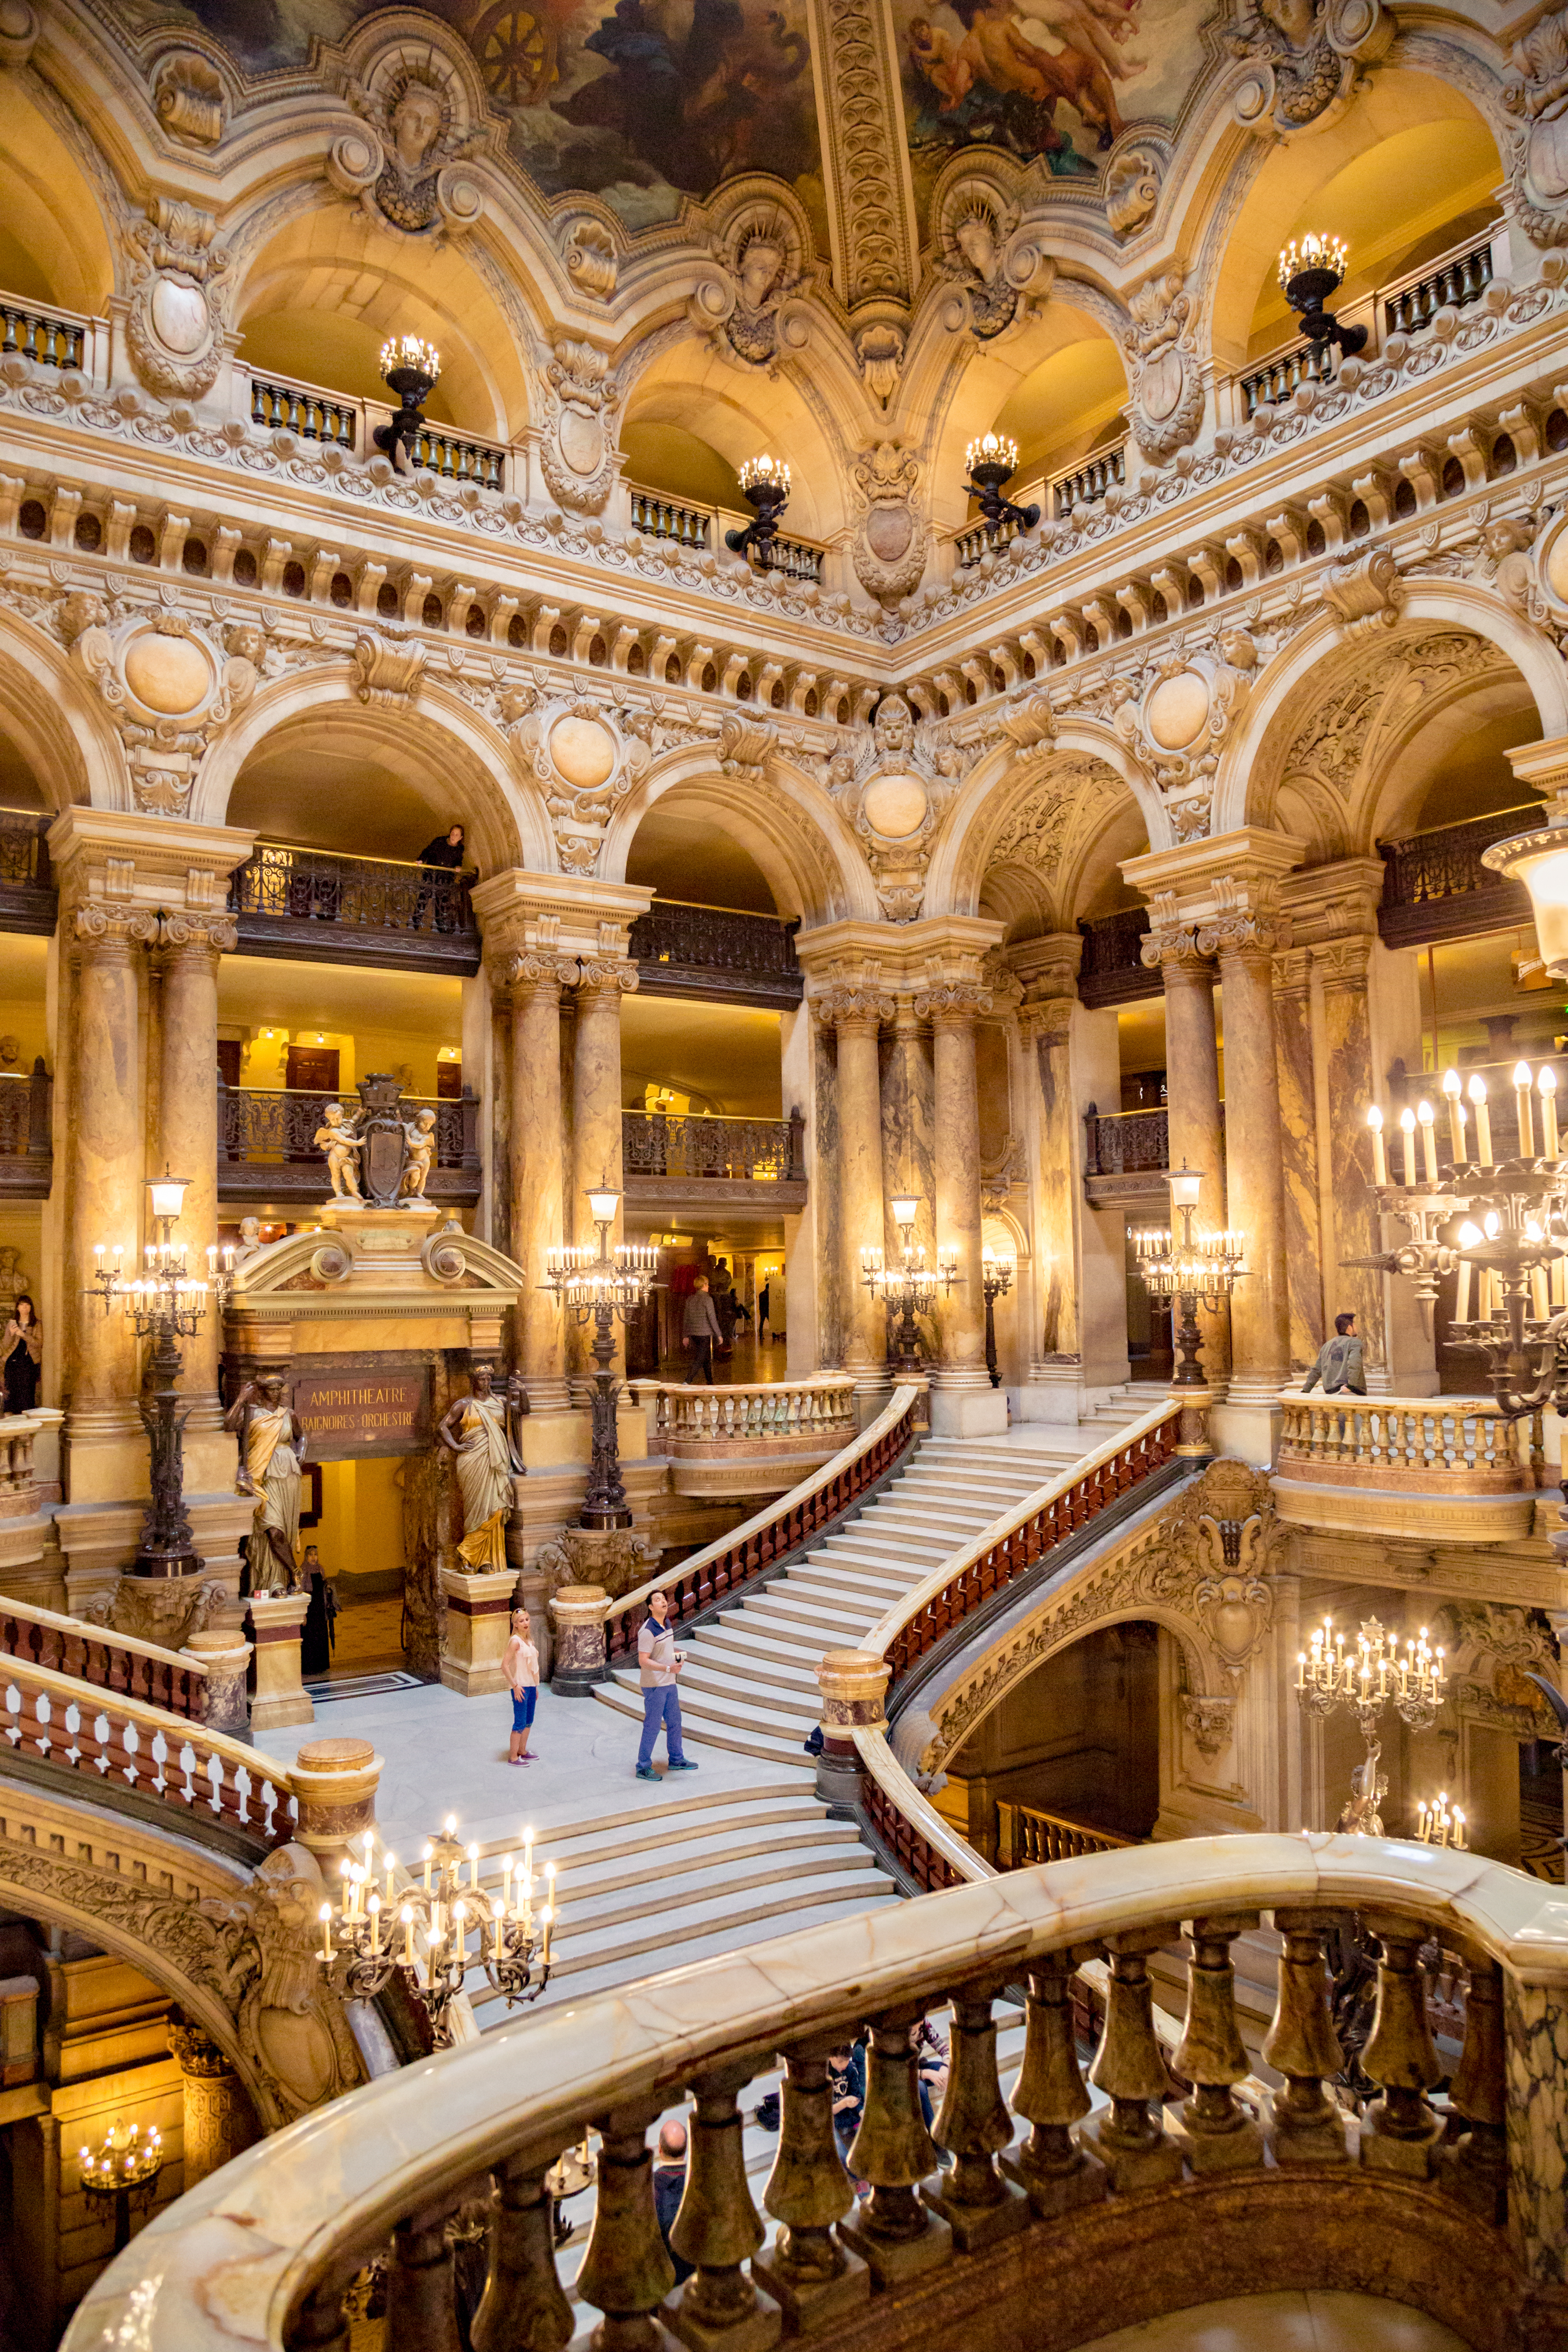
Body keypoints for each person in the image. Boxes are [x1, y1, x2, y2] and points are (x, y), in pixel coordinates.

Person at [436, 1364, 524, 1570]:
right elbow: (443, 1426)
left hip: (496, 1461)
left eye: (488, 1379)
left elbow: (522, 1411)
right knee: (476, 1509)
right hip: (472, 1461)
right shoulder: (464, 1404)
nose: (485, 1383)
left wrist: (523, 1392)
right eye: (481, 1379)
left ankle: (486, 1559)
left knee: (497, 1509)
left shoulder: (501, 1401)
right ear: (474, 1381)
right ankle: (468, 1555)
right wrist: (456, 1446)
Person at [225, 1373, 307, 1592]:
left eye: (279, 1389)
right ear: (262, 1391)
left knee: (286, 1529)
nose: (276, 1393)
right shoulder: (252, 1413)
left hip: (288, 1474)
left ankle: (279, 1583)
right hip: (262, 1474)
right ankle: (292, 1573)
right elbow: (229, 1425)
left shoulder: (288, 1414)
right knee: (272, 1530)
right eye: (272, 1389)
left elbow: (301, 1436)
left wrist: (301, 1450)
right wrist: (241, 1399)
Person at [636, 1587, 698, 1779]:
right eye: (657, 1599)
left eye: (664, 1598)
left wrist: (677, 1658)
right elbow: (643, 1661)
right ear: (650, 1607)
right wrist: (668, 1669)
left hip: (669, 1683)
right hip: (655, 1685)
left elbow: (665, 1651)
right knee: (652, 1726)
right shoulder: (647, 1631)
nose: (663, 1601)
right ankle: (643, 1766)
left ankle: (677, 1759)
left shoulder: (667, 1623)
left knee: (674, 1722)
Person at [651, 2119, 693, 2284]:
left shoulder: (647, 2188)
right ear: (686, 2149)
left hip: (662, 2276)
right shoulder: (701, 2181)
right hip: (696, 2273)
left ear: (660, 2149)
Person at [503, 1607, 540, 1765]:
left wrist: (536, 1687)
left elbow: (532, 1668)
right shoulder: (515, 1642)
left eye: (527, 1619)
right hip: (521, 1686)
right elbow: (504, 1665)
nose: (525, 1623)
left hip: (531, 1686)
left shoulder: (529, 1641)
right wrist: (515, 1685)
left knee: (528, 1721)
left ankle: (522, 1750)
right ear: (515, 1625)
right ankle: (513, 1757)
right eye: (521, 1621)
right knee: (519, 1722)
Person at [413, 823, 466, 933]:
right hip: (431, 875)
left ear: (461, 838)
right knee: (423, 898)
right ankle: (415, 923)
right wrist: (421, 860)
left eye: (457, 835)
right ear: (450, 833)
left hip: (445, 879)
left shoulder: (460, 849)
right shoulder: (439, 841)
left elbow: (458, 862)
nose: (454, 836)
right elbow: (427, 851)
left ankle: (441, 926)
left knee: (441, 903)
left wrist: (458, 867)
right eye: (453, 833)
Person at [1301, 1311, 1366, 1395]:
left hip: (1330, 1392)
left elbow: (1316, 1371)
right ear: (1350, 1328)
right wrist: (1351, 1386)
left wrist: (1305, 1390)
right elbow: (1354, 1364)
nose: (1357, 1328)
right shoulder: (1354, 1343)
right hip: (1350, 1391)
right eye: (1355, 1325)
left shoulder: (1326, 1346)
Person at [300, 1544, 339, 1677]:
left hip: (320, 1610)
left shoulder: (320, 1569)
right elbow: (301, 1593)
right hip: (310, 1610)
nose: (313, 1558)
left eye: (315, 1555)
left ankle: (321, 1665)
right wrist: (303, 1614)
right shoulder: (303, 1571)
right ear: (306, 1556)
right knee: (310, 1638)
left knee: (321, 1636)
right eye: (311, 1555)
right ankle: (309, 1667)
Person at [2, 1294, 41, 1415]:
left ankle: (26, 1425)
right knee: (11, 1392)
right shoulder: (12, 1323)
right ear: (18, 1308)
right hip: (12, 1362)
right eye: (22, 1305)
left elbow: (39, 1343)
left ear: (31, 1307)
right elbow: (5, 1345)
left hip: (29, 1362)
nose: (25, 1308)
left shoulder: (37, 1323)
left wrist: (24, 1335)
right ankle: (10, 1422)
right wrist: (12, 1333)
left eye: (27, 1305)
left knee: (27, 1393)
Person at [828, 2042, 865, 2166]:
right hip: (833, 2121)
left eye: (847, 2060)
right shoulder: (824, 2073)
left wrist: (861, 2111)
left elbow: (856, 2096)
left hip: (851, 2117)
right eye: (840, 2062)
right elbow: (824, 2110)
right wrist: (844, 2103)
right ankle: (858, 2179)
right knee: (843, 2156)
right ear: (830, 2057)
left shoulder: (851, 2069)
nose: (844, 2065)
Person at [683, 1275, 723, 1385]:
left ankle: (710, 1382)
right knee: (700, 1358)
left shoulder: (690, 1299)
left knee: (706, 1359)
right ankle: (688, 1380)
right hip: (705, 1334)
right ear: (704, 1285)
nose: (709, 1286)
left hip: (693, 1334)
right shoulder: (708, 1299)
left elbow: (686, 1318)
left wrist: (685, 1335)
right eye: (707, 1284)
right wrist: (719, 1334)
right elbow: (712, 1318)